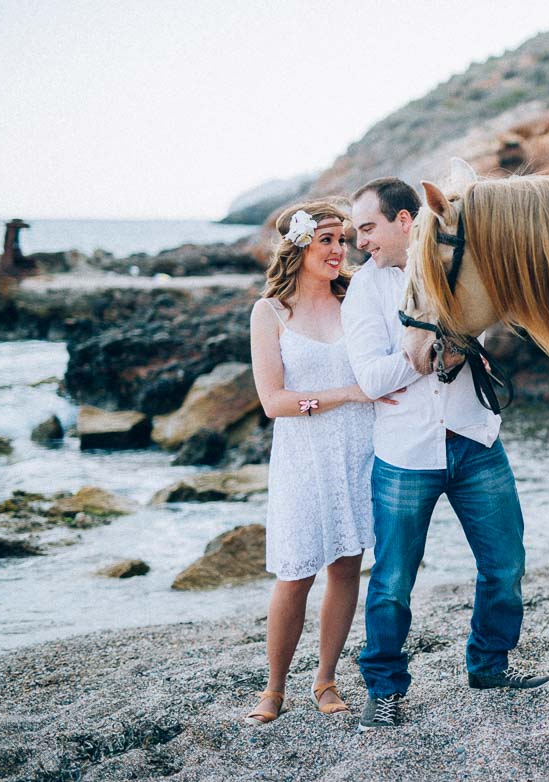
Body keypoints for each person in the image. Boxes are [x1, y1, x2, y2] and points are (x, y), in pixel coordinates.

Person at [343, 177, 549, 730]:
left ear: (406, 221)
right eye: (356, 231)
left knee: (505, 565)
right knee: (391, 582)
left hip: (474, 438)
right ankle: (384, 690)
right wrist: (439, 352)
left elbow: (484, 324)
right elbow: (369, 376)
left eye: (368, 227)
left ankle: (489, 666)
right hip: (405, 454)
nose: (360, 241)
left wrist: (456, 344)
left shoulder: (454, 262)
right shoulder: (365, 290)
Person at [245, 200, 397, 724]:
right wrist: (346, 394)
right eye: (327, 240)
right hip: (304, 458)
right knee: (294, 573)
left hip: (361, 450)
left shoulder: (356, 297)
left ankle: (326, 680)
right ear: (299, 244)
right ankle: (274, 688)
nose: (339, 250)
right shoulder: (270, 313)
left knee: (347, 566)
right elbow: (274, 402)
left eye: (343, 240)